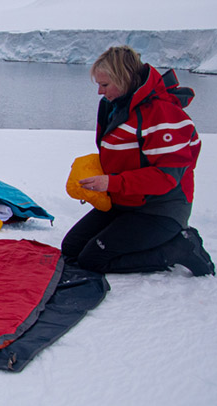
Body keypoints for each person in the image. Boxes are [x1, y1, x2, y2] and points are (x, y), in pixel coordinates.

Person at [61, 46, 214, 276]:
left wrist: (111, 183)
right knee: (71, 249)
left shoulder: (162, 114)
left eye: (105, 85)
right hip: (126, 202)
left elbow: (166, 177)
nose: (100, 93)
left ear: (124, 80)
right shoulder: (114, 106)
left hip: (160, 210)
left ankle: (179, 247)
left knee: (92, 260)